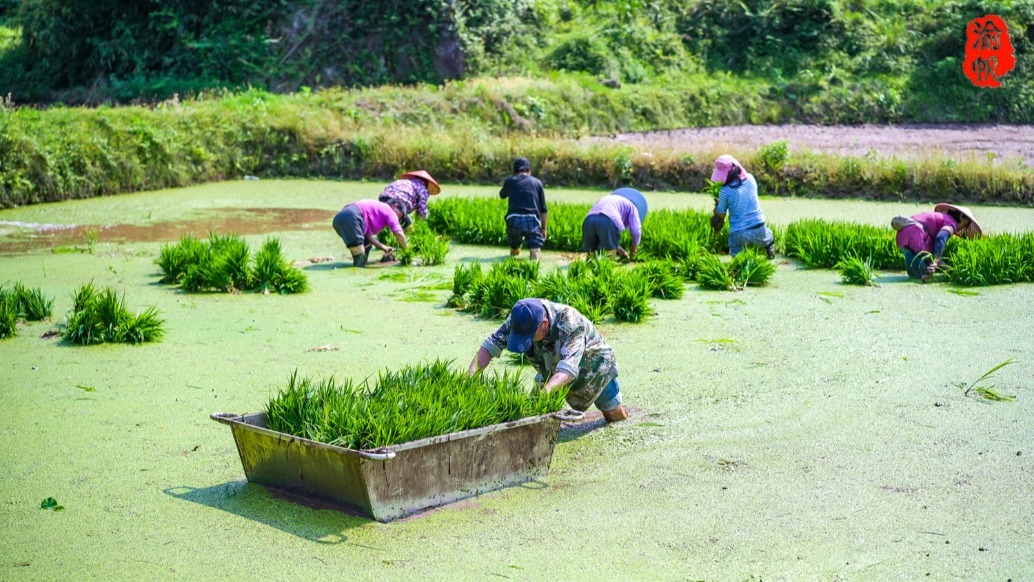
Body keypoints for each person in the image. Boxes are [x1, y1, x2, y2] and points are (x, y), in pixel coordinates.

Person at [468, 298, 629, 422]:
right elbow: (490, 346)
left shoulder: (571, 323)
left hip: (593, 369)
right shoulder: (522, 316)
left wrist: (546, 393)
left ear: (544, 324)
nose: (527, 341)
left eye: (529, 337)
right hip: (550, 366)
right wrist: (469, 377)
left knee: (613, 415)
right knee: (530, 414)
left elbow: (568, 369)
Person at [892, 203, 982, 281]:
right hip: (916, 234)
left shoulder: (942, 218)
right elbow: (941, 237)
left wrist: (941, 265)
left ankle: (918, 277)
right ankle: (923, 277)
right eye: (965, 224)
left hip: (901, 235)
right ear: (961, 217)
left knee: (918, 268)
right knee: (926, 269)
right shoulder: (951, 223)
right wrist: (937, 260)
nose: (962, 228)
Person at [709, 155, 776, 258]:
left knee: (736, 254)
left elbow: (721, 214)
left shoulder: (725, 190)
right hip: (761, 231)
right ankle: (770, 250)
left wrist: (716, 209)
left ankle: (737, 262)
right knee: (769, 236)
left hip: (739, 235)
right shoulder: (751, 179)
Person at [332, 199, 409, 267]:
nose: (397, 218)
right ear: (395, 206)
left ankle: (360, 266)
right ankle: (357, 275)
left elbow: (367, 235)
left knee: (366, 244)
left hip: (340, 218)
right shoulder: (390, 211)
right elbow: (399, 233)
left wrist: (383, 247)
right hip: (353, 216)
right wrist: (407, 252)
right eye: (399, 215)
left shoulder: (379, 209)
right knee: (360, 256)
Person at [500, 157, 548, 260]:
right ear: (529, 170)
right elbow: (543, 209)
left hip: (513, 219)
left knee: (514, 245)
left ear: (514, 171)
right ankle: (534, 268)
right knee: (535, 248)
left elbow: (502, 195)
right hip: (531, 219)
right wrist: (544, 229)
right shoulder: (537, 183)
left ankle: (513, 263)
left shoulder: (509, 181)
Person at [582, 188, 645, 259]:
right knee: (609, 257)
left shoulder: (610, 199)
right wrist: (633, 249)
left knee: (590, 256)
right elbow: (636, 231)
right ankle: (608, 267)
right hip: (608, 220)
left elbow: (602, 235)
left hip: (589, 220)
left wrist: (616, 246)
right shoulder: (632, 207)